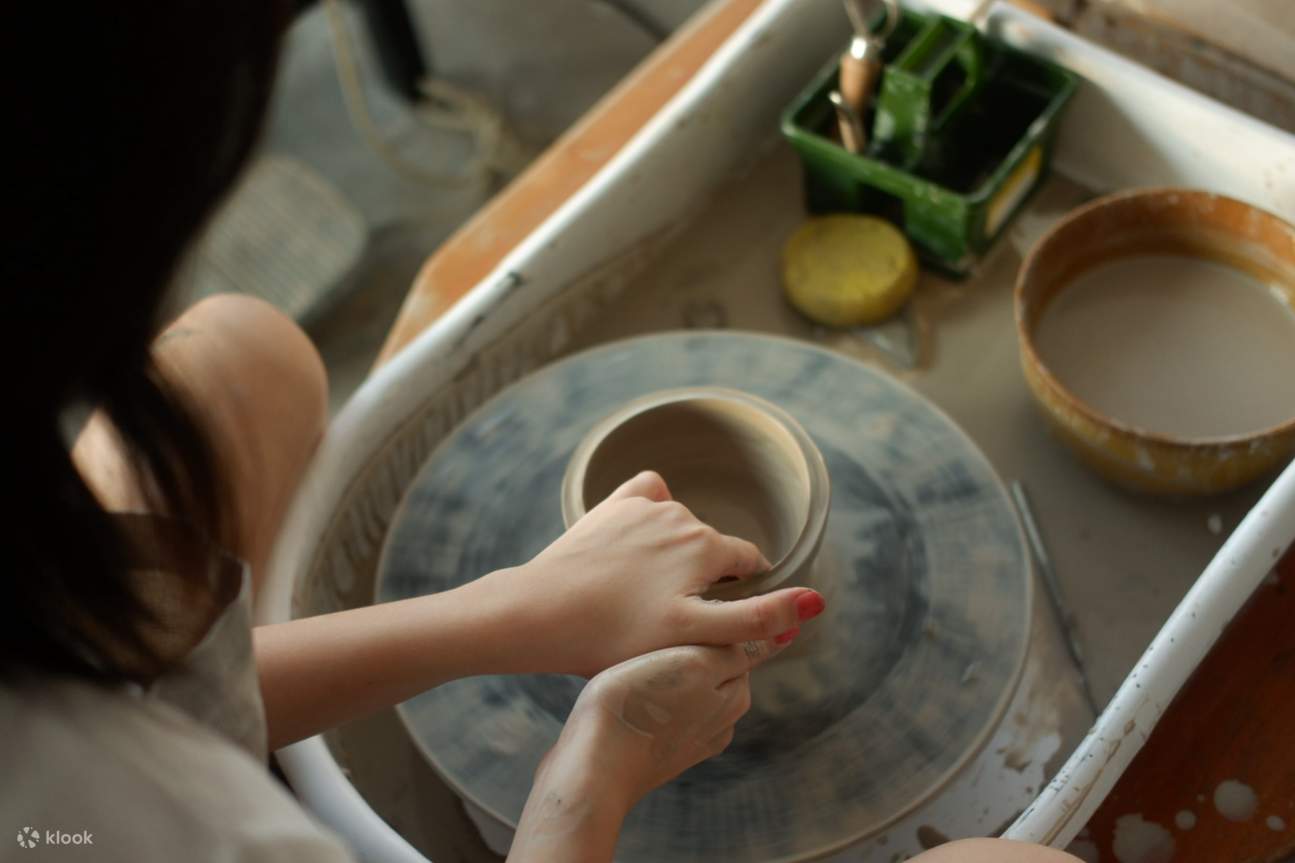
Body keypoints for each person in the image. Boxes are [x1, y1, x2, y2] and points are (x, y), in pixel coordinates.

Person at [1, 4, 1082, 862]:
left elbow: (143, 684)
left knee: (237, 359)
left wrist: (509, 609)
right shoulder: (168, 829)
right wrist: (588, 779)